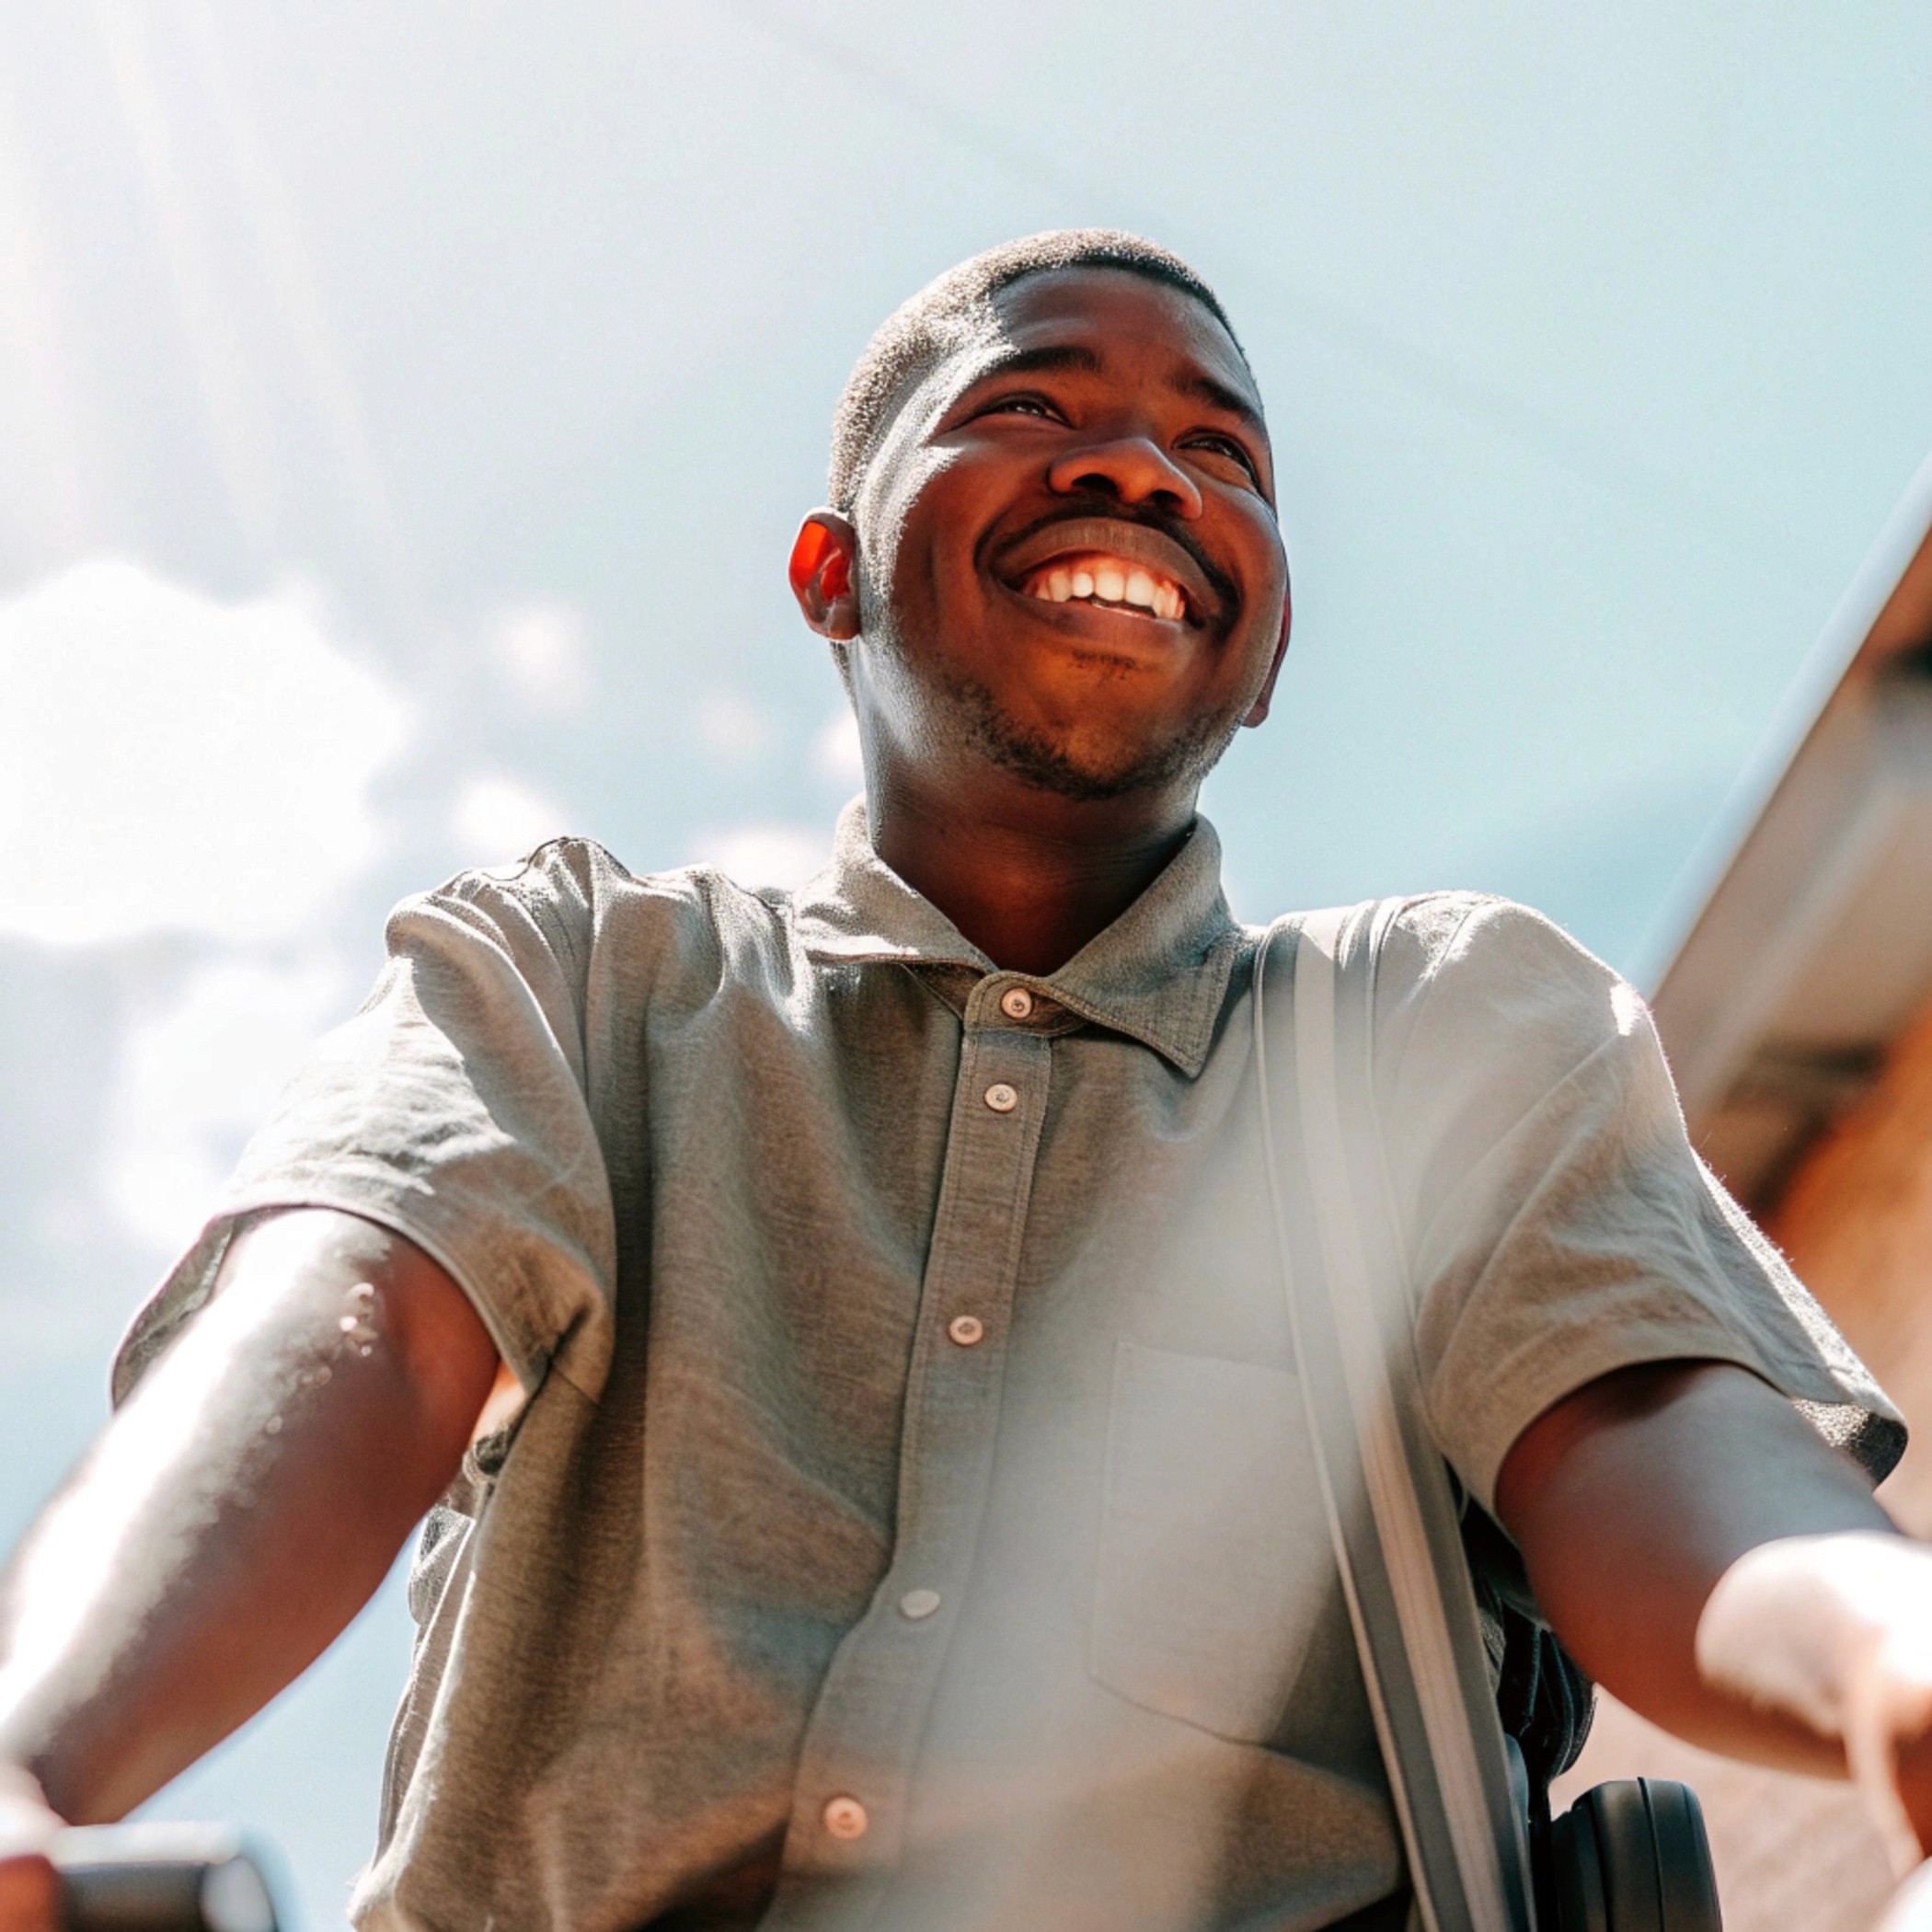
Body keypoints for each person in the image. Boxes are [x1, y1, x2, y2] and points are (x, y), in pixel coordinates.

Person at [2, 228, 1929, 1932]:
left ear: (1264, 654)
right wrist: (32, 1763)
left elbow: (1646, 1430)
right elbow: (349, 1319)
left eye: (1223, 452)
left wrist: (1893, 1663)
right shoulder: (584, 983)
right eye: (1031, 404)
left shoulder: (1444, 1032)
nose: (1138, 466)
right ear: (830, 572)